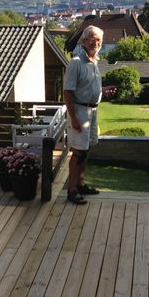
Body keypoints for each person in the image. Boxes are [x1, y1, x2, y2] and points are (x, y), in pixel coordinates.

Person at [63, 25, 103, 205]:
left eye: (99, 40)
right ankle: (71, 191)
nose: (96, 42)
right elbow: (67, 93)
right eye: (92, 39)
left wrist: (104, 91)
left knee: (86, 149)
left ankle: (81, 184)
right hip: (80, 112)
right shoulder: (76, 62)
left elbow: (87, 87)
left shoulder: (95, 61)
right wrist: (74, 118)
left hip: (92, 111)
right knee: (78, 152)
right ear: (83, 40)